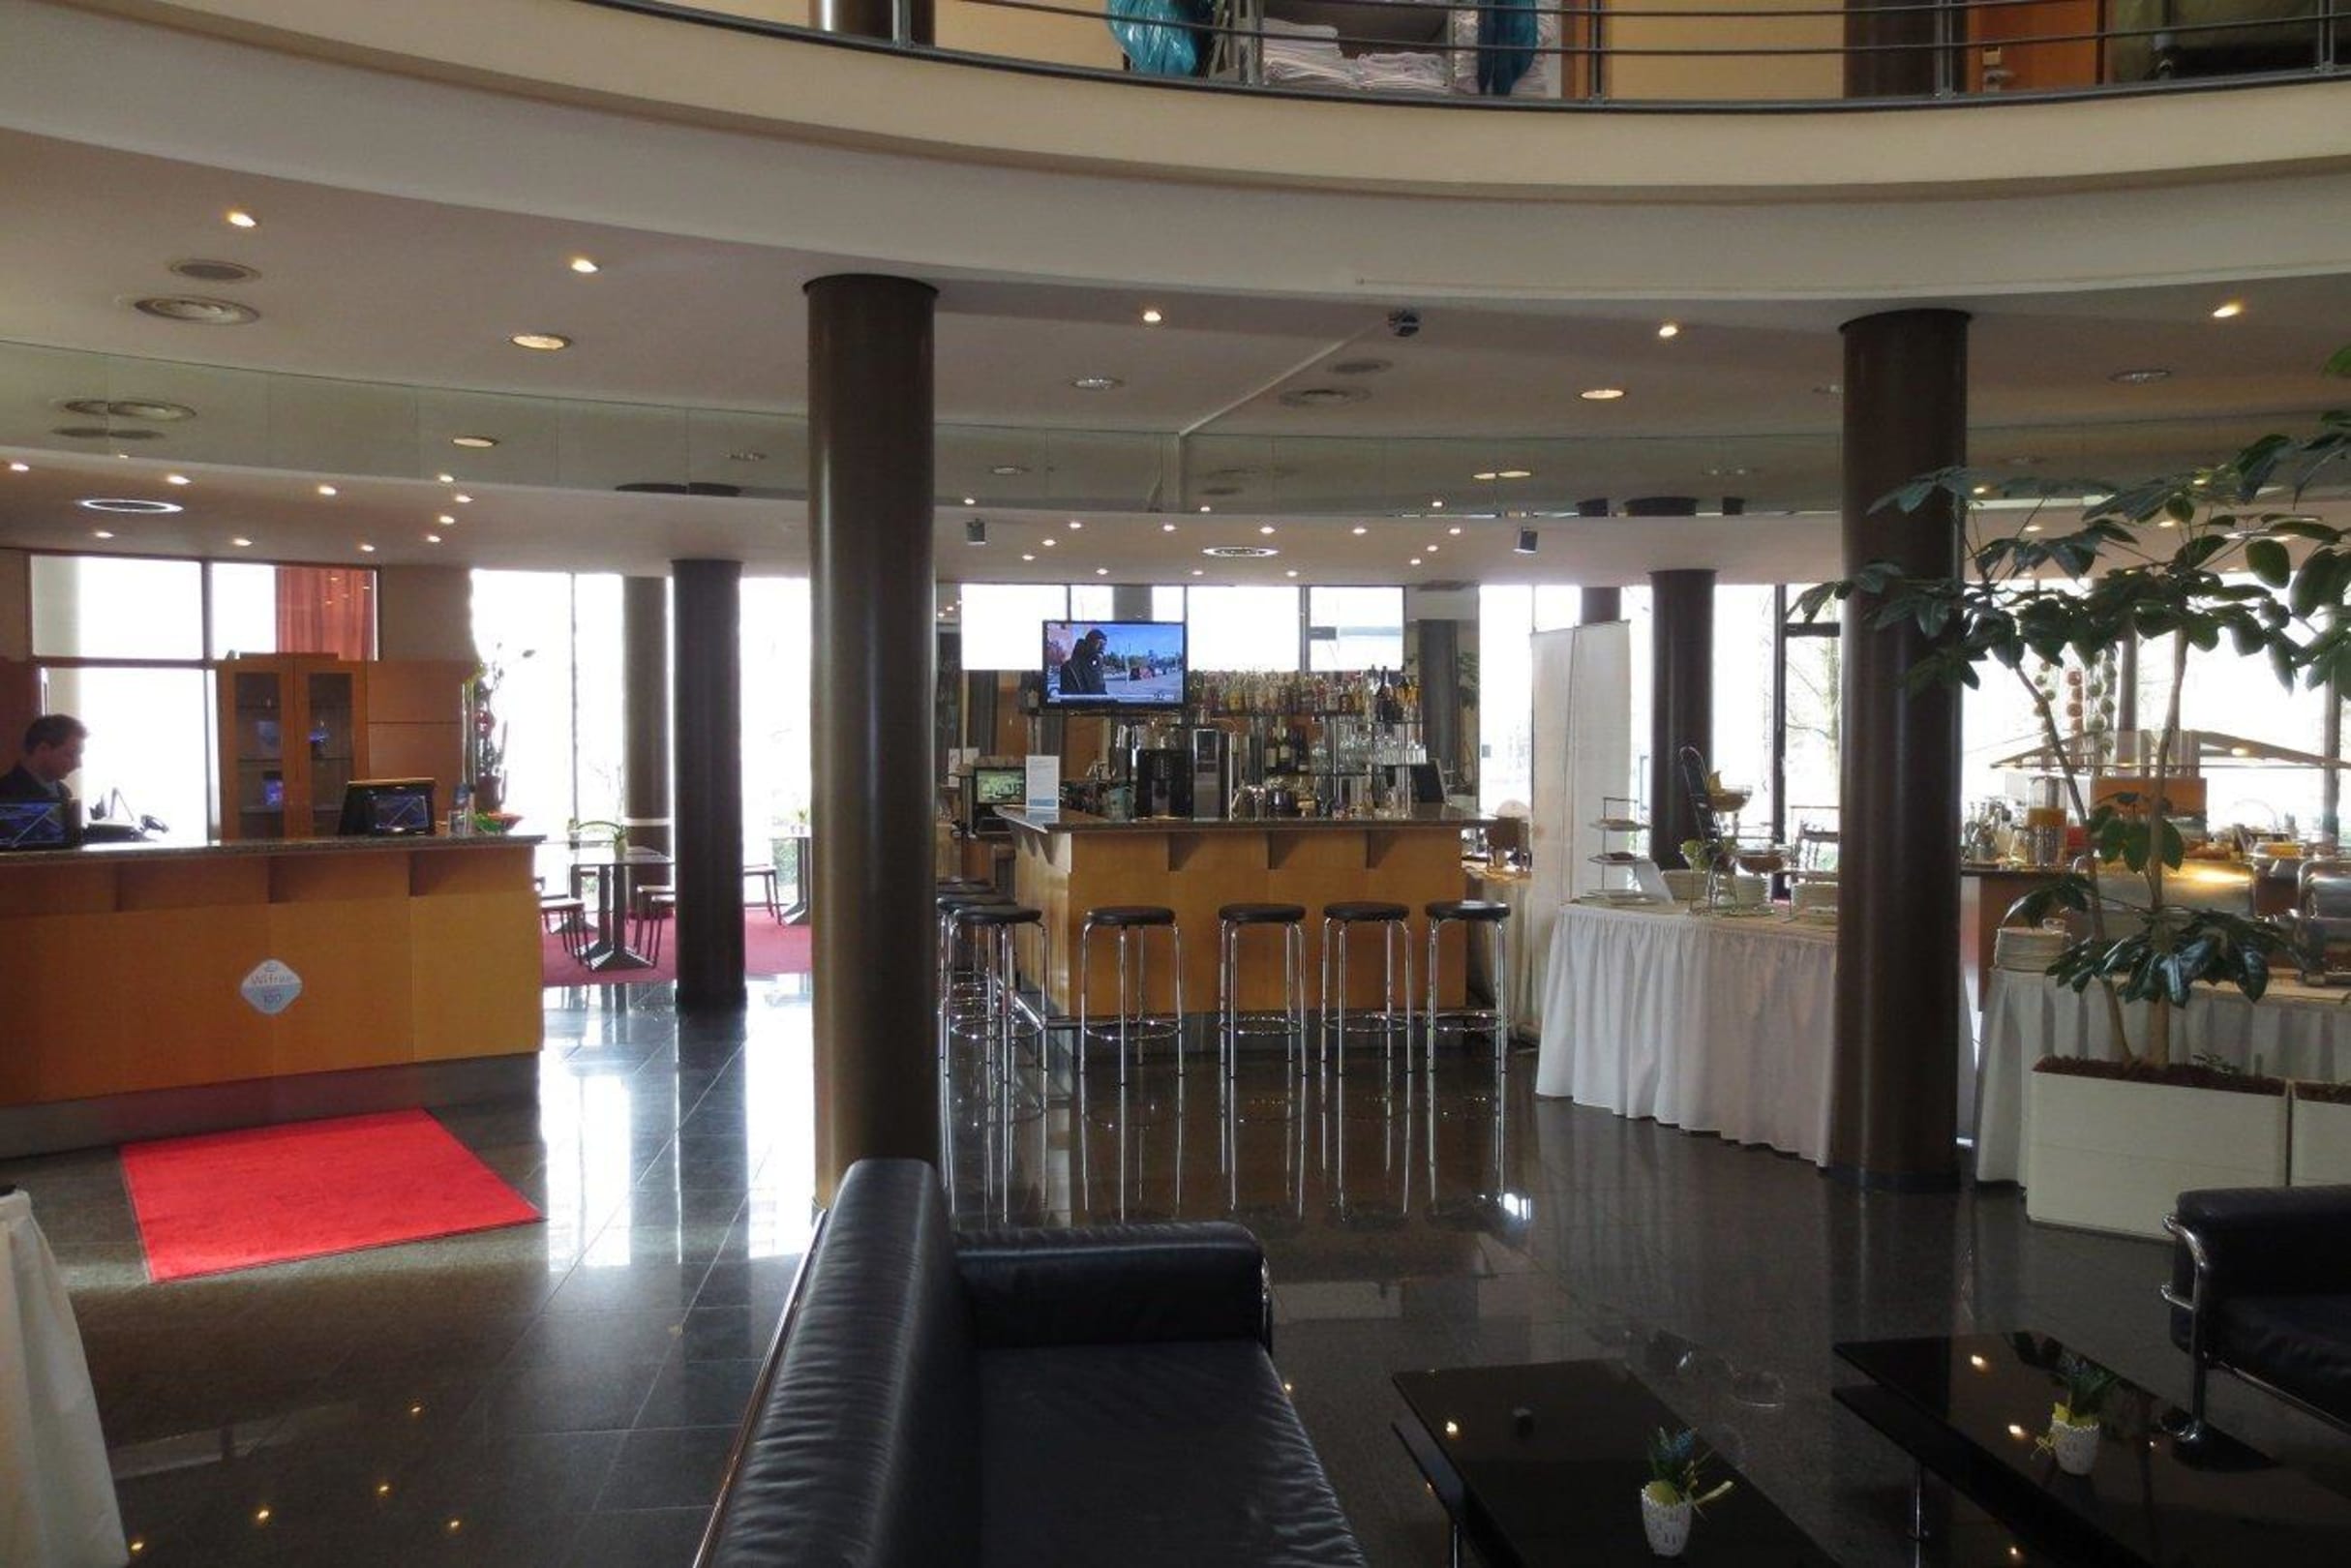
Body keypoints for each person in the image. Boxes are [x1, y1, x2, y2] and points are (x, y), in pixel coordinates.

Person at [1, 713, 85, 803]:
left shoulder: (64, 792)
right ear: (43, 749)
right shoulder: (5, 795)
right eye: (70, 755)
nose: (78, 764)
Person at [1061, 628, 1109, 696]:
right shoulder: (1069, 667)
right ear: (1089, 643)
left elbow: (1101, 691)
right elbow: (1068, 698)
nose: (1103, 648)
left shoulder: (1096, 665)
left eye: (1104, 645)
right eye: (1100, 643)